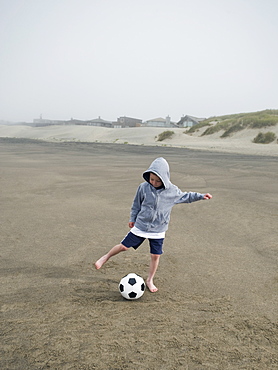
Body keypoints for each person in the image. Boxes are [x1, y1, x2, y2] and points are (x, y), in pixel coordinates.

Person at [94, 157, 212, 292]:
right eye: (151, 179)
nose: (154, 182)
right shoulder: (143, 187)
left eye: (157, 180)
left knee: (155, 256)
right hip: (141, 225)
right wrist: (133, 218)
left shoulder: (172, 191)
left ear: (165, 178)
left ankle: (149, 280)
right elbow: (136, 204)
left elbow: (187, 196)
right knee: (124, 247)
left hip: (158, 229)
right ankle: (105, 257)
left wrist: (201, 196)